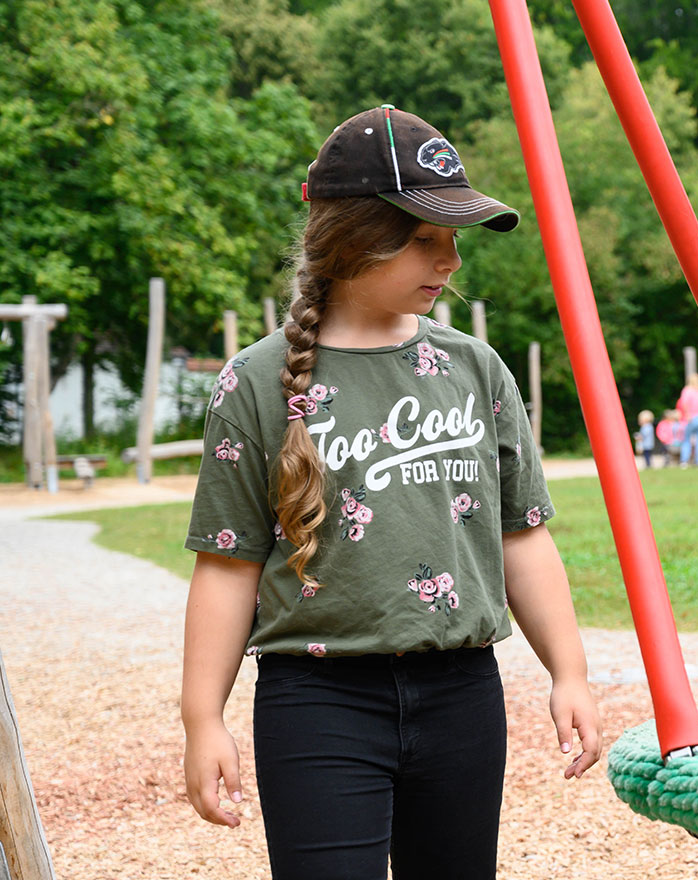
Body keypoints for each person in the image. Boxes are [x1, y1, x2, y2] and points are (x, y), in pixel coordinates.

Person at [180, 105, 603, 880]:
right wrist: (202, 718)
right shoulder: (257, 383)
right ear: (352, 237)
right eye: (423, 239)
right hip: (317, 702)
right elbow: (227, 562)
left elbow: (522, 535)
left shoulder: (476, 370)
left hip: (462, 697)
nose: (450, 261)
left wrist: (567, 670)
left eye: (454, 241)